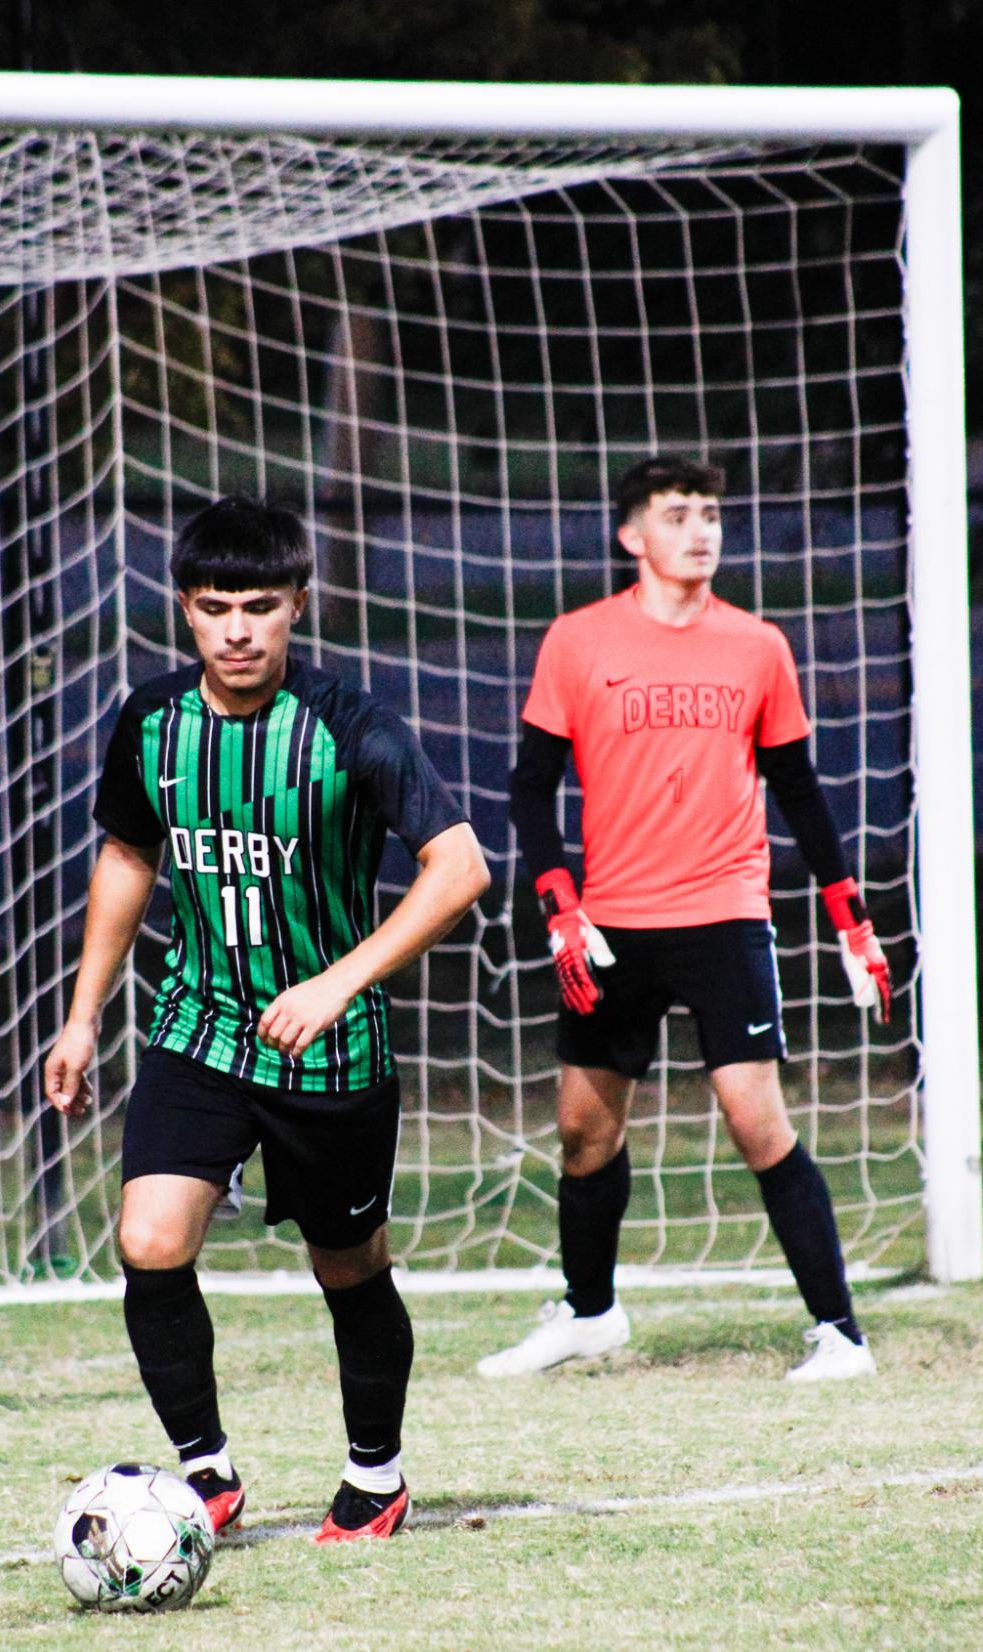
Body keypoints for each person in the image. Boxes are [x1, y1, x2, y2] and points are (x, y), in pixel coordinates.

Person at [45, 495, 489, 1540]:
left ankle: (374, 1476)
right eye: (213, 608)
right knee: (149, 1242)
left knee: (348, 1264)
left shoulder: (349, 726)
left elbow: (458, 865)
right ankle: (205, 1475)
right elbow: (125, 857)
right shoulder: (152, 723)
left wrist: (339, 981)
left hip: (331, 1055)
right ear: (185, 614)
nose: (236, 629)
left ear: (298, 604)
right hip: (198, 1029)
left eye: (258, 606)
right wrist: (82, 1019)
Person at [478, 456, 891, 1385]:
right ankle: (590, 1314)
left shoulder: (757, 646)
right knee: (585, 1131)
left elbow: (799, 790)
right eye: (678, 514)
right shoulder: (578, 642)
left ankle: (839, 1333)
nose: (701, 529)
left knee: (757, 1122)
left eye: (710, 512)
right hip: (611, 924)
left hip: (723, 913)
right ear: (634, 535)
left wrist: (852, 922)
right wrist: (557, 903)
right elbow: (531, 787)